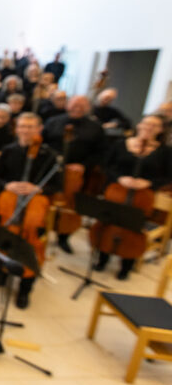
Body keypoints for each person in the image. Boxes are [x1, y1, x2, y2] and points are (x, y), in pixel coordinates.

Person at [0, 113, 60, 309]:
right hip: (9, 209)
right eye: (22, 126)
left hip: (32, 213)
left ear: (39, 129)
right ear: (16, 129)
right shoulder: (9, 151)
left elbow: (57, 185)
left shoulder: (48, 155)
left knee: (32, 249)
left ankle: (25, 289)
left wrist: (38, 189)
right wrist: (7, 185)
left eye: (30, 127)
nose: (26, 130)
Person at [92, 115, 172, 279]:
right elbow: (107, 165)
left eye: (154, 125)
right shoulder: (121, 144)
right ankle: (102, 258)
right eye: (146, 123)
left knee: (134, 226)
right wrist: (120, 178)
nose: (149, 127)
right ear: (139, 124)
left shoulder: (165, 152)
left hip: (143, 196)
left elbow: (168, 177)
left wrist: (148, 183)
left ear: (161, 130)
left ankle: (126, 265)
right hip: (117, 190)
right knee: (109, 221)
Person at [43, 95, 104, 253]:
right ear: (68, 105)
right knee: (45, 200)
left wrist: (83, 165)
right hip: (52, 169)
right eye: (75, 104)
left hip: (78, 175)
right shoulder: (53, 122)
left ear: (88, 108)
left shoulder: (95, 128)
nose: (78, 107)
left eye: (82, 105)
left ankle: (64, 237)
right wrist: (52, 159)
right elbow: (43, 143)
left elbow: (101, 153)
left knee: (72, 205)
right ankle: (42, 229)